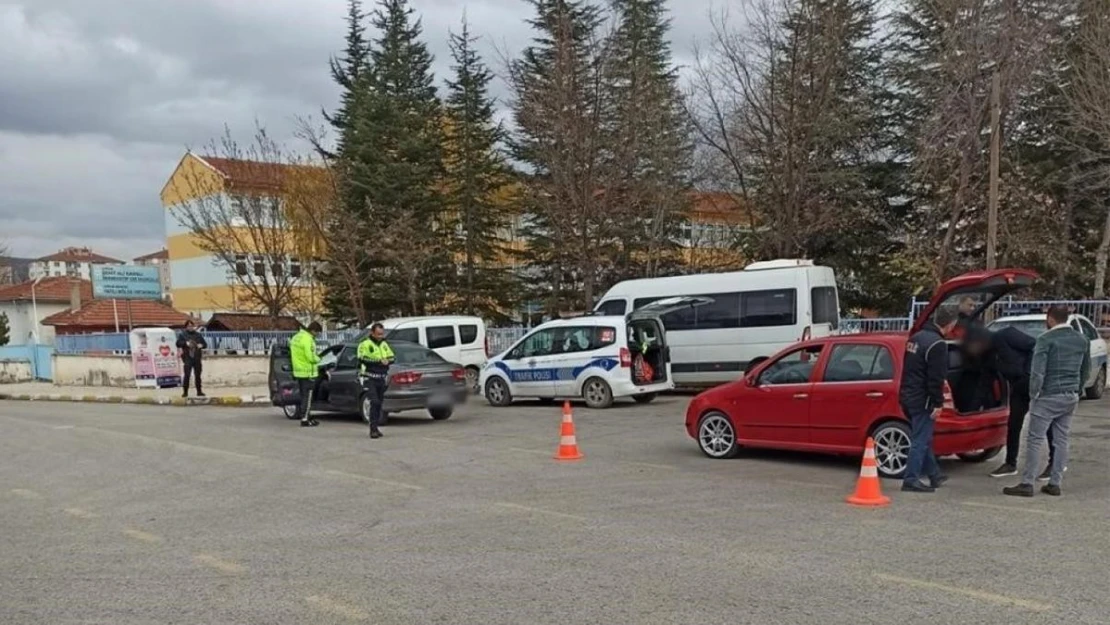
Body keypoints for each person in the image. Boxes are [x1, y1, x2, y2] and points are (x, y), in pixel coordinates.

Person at [1004, 306, 1090, 497]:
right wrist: (1077, 388)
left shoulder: (1046, 339)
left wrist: (1034, 394)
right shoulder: (1081, 340)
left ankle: (1027, 483)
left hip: (1048, 395)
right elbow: (1086, 369)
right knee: (1061, 439)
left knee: (1035, 439)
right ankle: (1055, 482)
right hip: (1070, 395)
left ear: (1050, 318)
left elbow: (1038, 371)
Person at [978, 324, 1055, 478]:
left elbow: (1035, 346)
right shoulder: (988, 356)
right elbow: (987, 380)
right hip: (1018, 388)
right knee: (1014, 424)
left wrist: (1028, 373)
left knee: (1046, 423)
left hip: (1034, 382)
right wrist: (978, 404)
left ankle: (1055, 462)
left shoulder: (1006, 334)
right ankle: (1010, 463)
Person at [899, 306, 959, 493]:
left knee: (923, 437)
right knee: (920, 439)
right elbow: (936, 378)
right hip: (922, 399)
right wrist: (937, 403)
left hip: (907, 395)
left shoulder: (916, 338)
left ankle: (934, 475)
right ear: (950, 325)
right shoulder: (937, 344)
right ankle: (911, 479)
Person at [358, 323, 395, 439]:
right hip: (369, 377)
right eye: (378, 334)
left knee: (379, 403)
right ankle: (372, 429)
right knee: (374, 402)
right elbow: (362, 358)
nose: (380, 336)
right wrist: (379, 361)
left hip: (381, 378)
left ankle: (376, 427)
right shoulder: (364, 344)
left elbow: (392, 357)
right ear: (372, 333)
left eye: (382, 334)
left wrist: (387, 361)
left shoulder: (384, 344)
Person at [290, 321, 323, 428]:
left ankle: (306, 416)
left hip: (298, 371)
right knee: (308, 397)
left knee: (303, 395)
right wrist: (320, 359)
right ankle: (305, 419)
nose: (317, 335)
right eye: (317, 333)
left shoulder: (296, 337)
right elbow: (310, 357)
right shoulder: (308, 340)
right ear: (313, 331)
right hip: (308, 372)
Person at [176, 320, 208, 398]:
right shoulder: (182, 335)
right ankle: (185, 392)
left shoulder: (198, 335)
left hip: (197, 357)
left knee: (198, 375)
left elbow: (205, 344)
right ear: (186, 327)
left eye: (191, 326)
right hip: (187, 357)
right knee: (187, 375)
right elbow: (178, 344)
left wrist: (201, 345)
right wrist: (185, 343)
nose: (190, 327)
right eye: (188, 326)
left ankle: (199, 391)